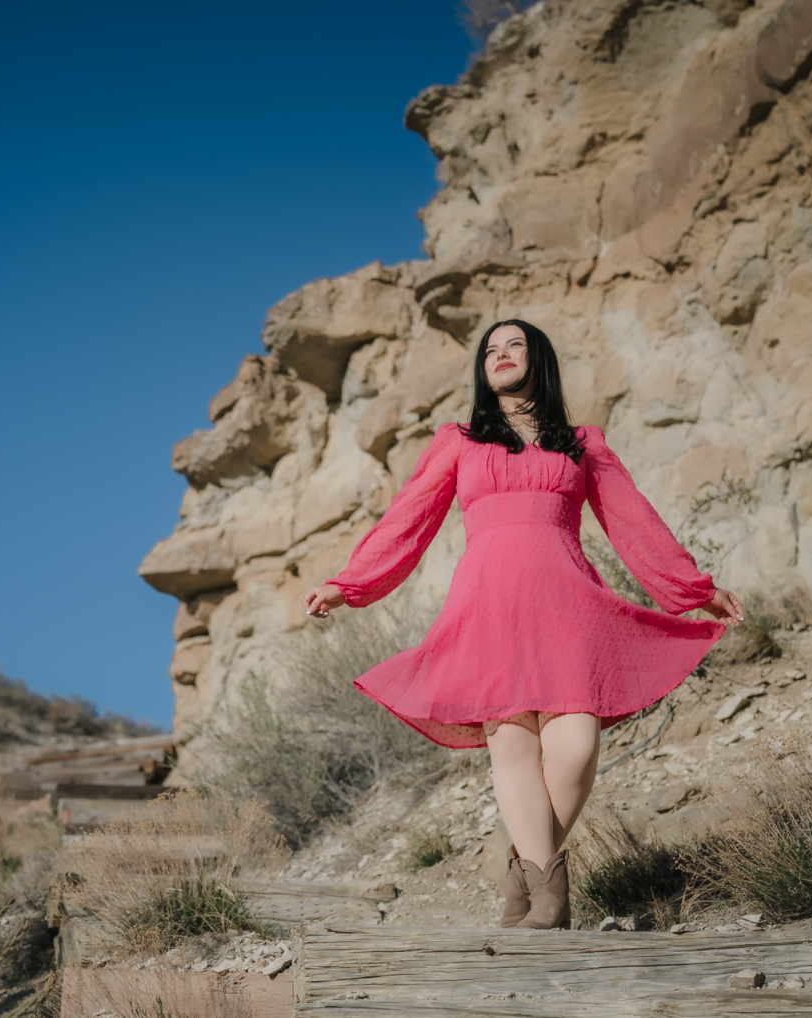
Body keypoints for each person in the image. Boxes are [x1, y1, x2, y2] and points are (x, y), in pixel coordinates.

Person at [302, 319, 744, 930]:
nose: (501, 355)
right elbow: (406, 521)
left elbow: (634, 522)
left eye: (515, 345)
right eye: (490, 349)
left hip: (569, 603)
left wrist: (693, 589)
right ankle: (551, 898)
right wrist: (349, 585)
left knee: (577, 744)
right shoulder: (458, 441)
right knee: (512, 744)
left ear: (539, 358)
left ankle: (523, 872)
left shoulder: (583, 443)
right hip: (487, 605)